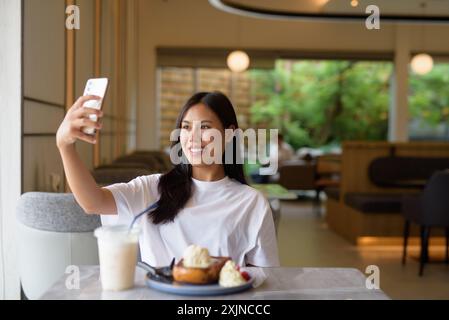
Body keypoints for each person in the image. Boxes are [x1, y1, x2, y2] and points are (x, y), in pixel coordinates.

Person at [56, 91, 279, 267]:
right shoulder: (152, 189)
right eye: (186, 127)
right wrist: (65, 146)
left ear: (230, 134)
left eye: (205, 127)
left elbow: (265, 282)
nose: (193, 137)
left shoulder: (252, 203)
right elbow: (92, 202)